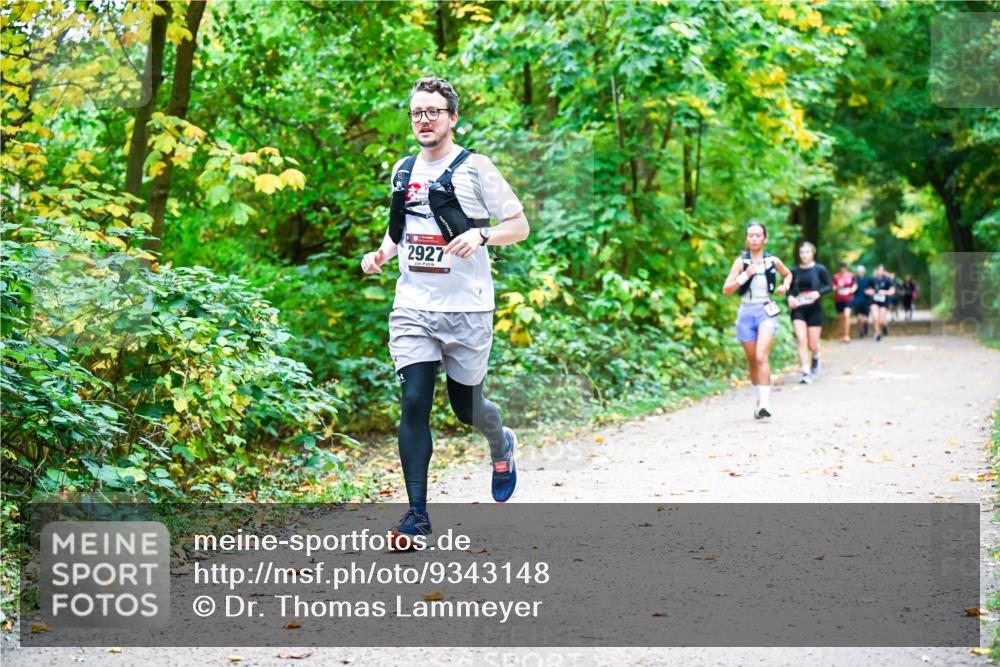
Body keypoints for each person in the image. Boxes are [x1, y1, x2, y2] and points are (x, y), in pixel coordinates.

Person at [361, 77, 530, 547]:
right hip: (413, 305)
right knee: (414, 400)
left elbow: (519, 225)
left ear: (452, 118)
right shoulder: (402, 169)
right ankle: (417, 515)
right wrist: (380, 256)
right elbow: (399, 231)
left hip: (468, 309)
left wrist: (481, 236)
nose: (424, 119)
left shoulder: (476, 168)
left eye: (434, 111)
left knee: (466, 408)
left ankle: (502, 444)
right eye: (417, 112)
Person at [722, 221, 792, 419]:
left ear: (764, 239)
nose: (753, 238)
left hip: (765, 310)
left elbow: (788, 274)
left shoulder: (773, 261)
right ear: (746, 239)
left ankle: (765, 403)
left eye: (757, 235)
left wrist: (785, 286)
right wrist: (746, 275)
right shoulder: (741, 262)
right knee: (753, 360)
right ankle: (758, 399)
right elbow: (726, 290)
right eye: (750, 235)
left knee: (762, 355)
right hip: (745, 312)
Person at [787, 242, 832, 384]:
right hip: (798, 309)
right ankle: (806, 372)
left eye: (807, 252)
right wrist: (790, 297)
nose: (804, 255)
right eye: (802, 252)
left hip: (815, 309)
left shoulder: (819, 269)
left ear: (813, 253)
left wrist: (818, 293)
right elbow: (788, 288)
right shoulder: (793, 271)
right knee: (801, 339)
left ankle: (816, 355)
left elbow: (829, 286)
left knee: (812, 344)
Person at [866, 264, 896, 342]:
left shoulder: (887, 280)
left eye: (882, 270)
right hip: (874, 301)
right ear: (876, 270)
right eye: (879, 270)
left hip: (884, 301)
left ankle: (884, 327)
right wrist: (871, 292)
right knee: (875, 317)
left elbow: (892, 291)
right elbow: (867, 290)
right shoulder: (872, 279)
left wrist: (884, 292)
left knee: (881, 320)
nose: (880, 271)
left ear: (884, 271)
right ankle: (877, 333)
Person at [832, 262, 857, 342]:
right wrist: (839, 286)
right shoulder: (836, 276)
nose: (843, 269)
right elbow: (833, 288)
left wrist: (852, 289)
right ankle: (842, 334)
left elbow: (855, 285)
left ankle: (847, 335)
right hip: (839, 299)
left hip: (848, 299)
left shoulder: (851, 275)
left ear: (846, 268)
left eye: (844, 267)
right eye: (841, 267)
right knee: (841, 318)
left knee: (847, 315)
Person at [851, 265, 872, 338]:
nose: (860, 273)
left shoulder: (868, 280)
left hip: (866, 302)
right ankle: (860, 332)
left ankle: (865, 326)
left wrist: (869, 292)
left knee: (865, 319)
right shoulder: (855, 280)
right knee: (859, 318)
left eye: (862, 271)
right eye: (859, 271)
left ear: (864, 272)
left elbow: (872, 289)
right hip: (857, 302)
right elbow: (851, 290)